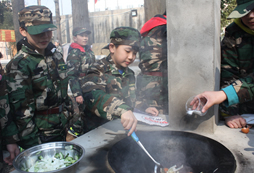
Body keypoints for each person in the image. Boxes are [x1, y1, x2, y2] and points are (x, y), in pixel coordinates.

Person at [4, 5, 73, 165]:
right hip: (40, 136)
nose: (46, 36)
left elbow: (62, 92)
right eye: (38, 31)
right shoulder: (20, 64)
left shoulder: (55, 55)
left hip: (61, 127)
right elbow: (22, 113)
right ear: (23, 31)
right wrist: (35, 148)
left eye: (49, 30)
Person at [81, 27, 159, 136]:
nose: (131, 57)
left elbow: (129, 99)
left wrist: (144, 107)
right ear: (112, 48)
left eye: (135, 53)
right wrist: (122, 110)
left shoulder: (129, 73)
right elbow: (93, 96)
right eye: (127, 51)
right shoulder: (97, 70)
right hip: (97, 132)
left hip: (120, 131)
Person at [194, 0, 254, 129]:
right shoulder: (233, 33)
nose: (250, 16)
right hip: (245, 106)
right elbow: (228, 73)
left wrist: (223, 95)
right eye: (246, 12)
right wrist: (230, 113)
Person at [135, 11, 168, 115]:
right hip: (158, 82)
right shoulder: (164, 28)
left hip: (144, 79)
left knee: (148, 112)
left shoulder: (151, 27)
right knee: (160, 115)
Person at [66, 27, 96, 136]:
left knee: (90, 111)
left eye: (86, 35)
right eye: (82, 35)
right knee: (83, 113)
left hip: (91, 85)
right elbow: (71, 75)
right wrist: (77, 93)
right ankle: (78, 132)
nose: (85, 38)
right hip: (81, 87)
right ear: (75, 38)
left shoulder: (88, 50)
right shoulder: (75, 52)